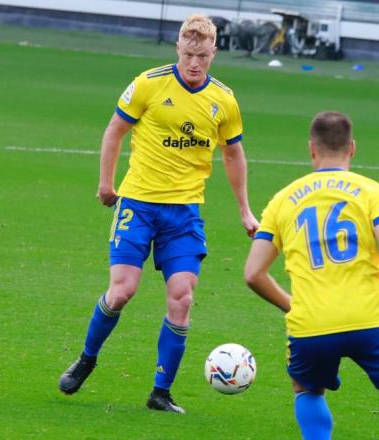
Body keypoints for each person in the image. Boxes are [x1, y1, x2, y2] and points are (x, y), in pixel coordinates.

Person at [58, 14, 259, 413]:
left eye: (202, 55)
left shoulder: (224, 100)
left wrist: (245, 211)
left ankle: (160, 392)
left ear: (214, 53)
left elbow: (233, 154)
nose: (194, 63)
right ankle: (86, 359)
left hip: (184, 213)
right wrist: (106, 183)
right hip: (138, 203)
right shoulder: (149, 83)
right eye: (188, 54)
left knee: (182, 298)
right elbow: (115, 130)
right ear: (177, 50)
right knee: (122, 291)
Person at [244, 111, 379, 440]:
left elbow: (252, 273)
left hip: (311, 323)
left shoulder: (282, 200)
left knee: (307, 389)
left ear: (312, 150)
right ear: (352, 148)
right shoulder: (373, 193)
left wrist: (294, 306)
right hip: (369, 320)